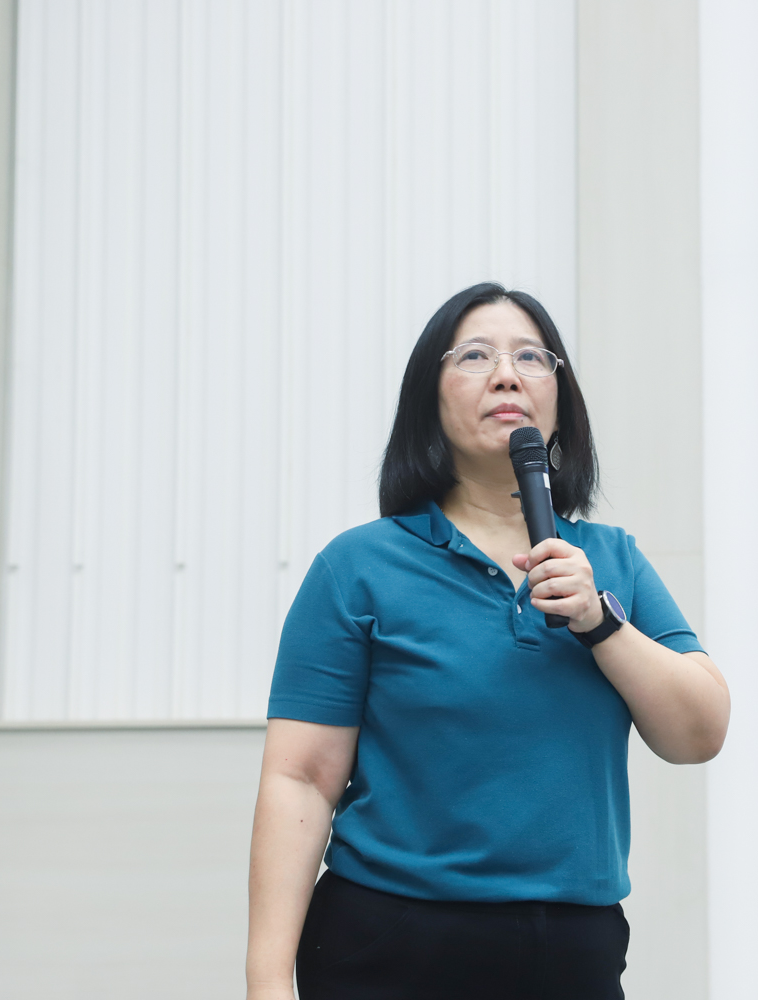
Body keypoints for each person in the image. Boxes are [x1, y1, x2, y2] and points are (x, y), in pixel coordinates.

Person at [245, 283, 730, 1000]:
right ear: (428, 400)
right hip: (389, 943)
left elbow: (699, 734)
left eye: (532, 357)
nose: (507, 374)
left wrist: (600, 622)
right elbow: (302, 780)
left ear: (561, 400)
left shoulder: (612, 560)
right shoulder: (358, 567)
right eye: (475, 355)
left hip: (572, 949)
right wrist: (266, 982)